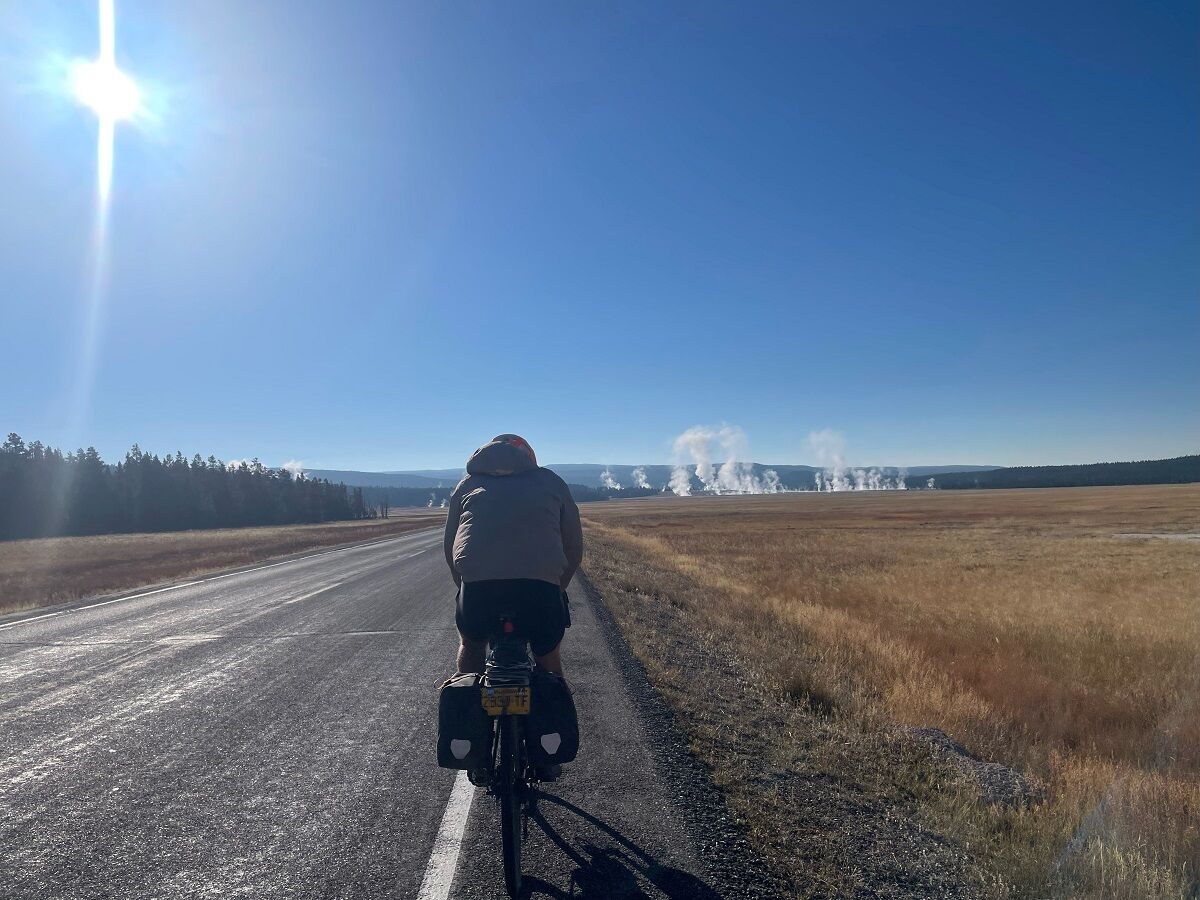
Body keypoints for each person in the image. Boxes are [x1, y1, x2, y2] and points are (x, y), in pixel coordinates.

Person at [444, 434, 583, 677]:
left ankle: (466, 698)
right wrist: (555, 587)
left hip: (479, 592)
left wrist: (466, 584)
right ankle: (554, 710)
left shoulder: (467, 484)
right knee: (547, 656)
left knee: (471, 645)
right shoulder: (551, 481)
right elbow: (573, 547)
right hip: (540, 591)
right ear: (529, 457)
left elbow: (450, 547)